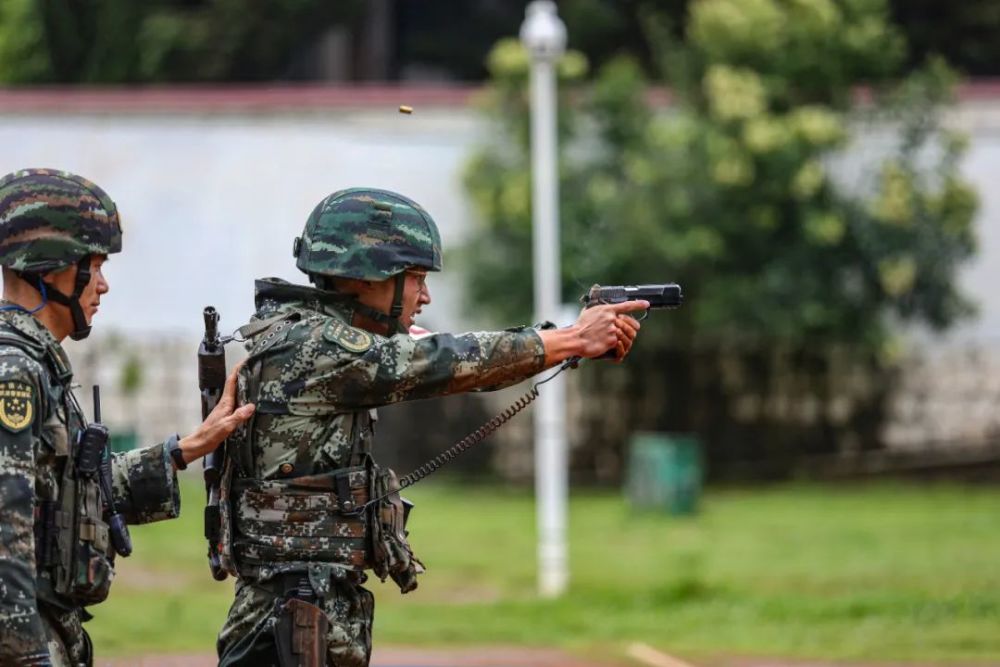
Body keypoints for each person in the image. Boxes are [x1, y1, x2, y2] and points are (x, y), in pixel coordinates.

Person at [215, 187, 645, 667]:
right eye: (415, 277)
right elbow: (444, 360)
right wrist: (571, 338)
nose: (425, 295)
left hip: (303, 607)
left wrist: (565, 342)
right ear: (365, 275)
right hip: (289, 618)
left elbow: (454, 353)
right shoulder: (317, 347)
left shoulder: (312, 334)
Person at [0, 168, 255, 666]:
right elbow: (5, 533)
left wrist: (184, 450)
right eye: (93, 267)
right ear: (51, 267)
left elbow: (66, 495)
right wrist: (28, 657)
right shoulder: (13, 372)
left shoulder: (37, 363)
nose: (104, 285)